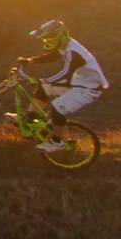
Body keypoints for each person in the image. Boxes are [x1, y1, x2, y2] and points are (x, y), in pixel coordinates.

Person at [17, 19, 108, 151]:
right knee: (44, 88)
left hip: (89, 90)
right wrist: (31, 60)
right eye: (46, 39)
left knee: (57, 108)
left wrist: (44, 80)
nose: (47, 41)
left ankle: (57, 142)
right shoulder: (66, 45)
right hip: (78, 84)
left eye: (50, 38)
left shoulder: (74, 53)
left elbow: (65, 74)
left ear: (60, 36)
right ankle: (31, 118)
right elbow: (53, 56)